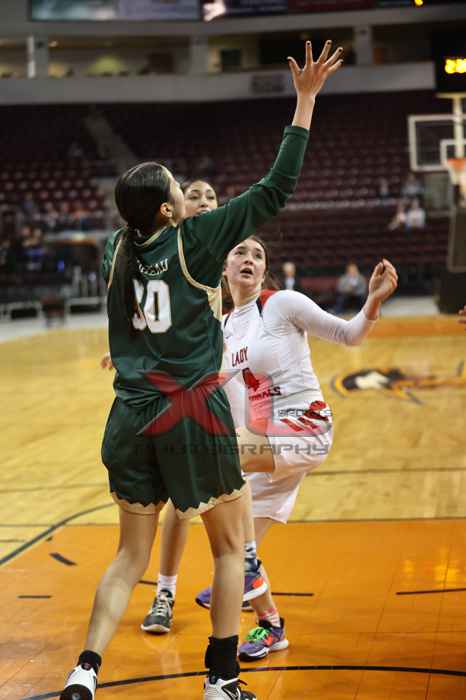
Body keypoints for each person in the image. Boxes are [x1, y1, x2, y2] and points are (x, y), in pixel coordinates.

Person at [59, 39, 344, 700]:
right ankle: (221, 679)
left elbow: (141, 296)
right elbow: (276, 188)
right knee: (228, 547)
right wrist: (304, 101)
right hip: (191, 413)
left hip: (128, 415)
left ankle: (85, 672)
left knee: (128, 554)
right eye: (175, 188)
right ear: (169, 209)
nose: (185, 191)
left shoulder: (116, 249)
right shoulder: (198, 239)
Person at [141, 235, 398, 661]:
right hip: (265, 443)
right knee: (235, 547)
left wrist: (372, 300)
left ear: (263, 270)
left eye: (258, 255)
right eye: (240, 253)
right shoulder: (223, 327)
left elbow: (349, 335)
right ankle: (271, 625)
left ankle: (231, 579)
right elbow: (210, 390)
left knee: (220, 480)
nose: (250, 259)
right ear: (224, 269)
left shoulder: (280, 305)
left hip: (305, 426)